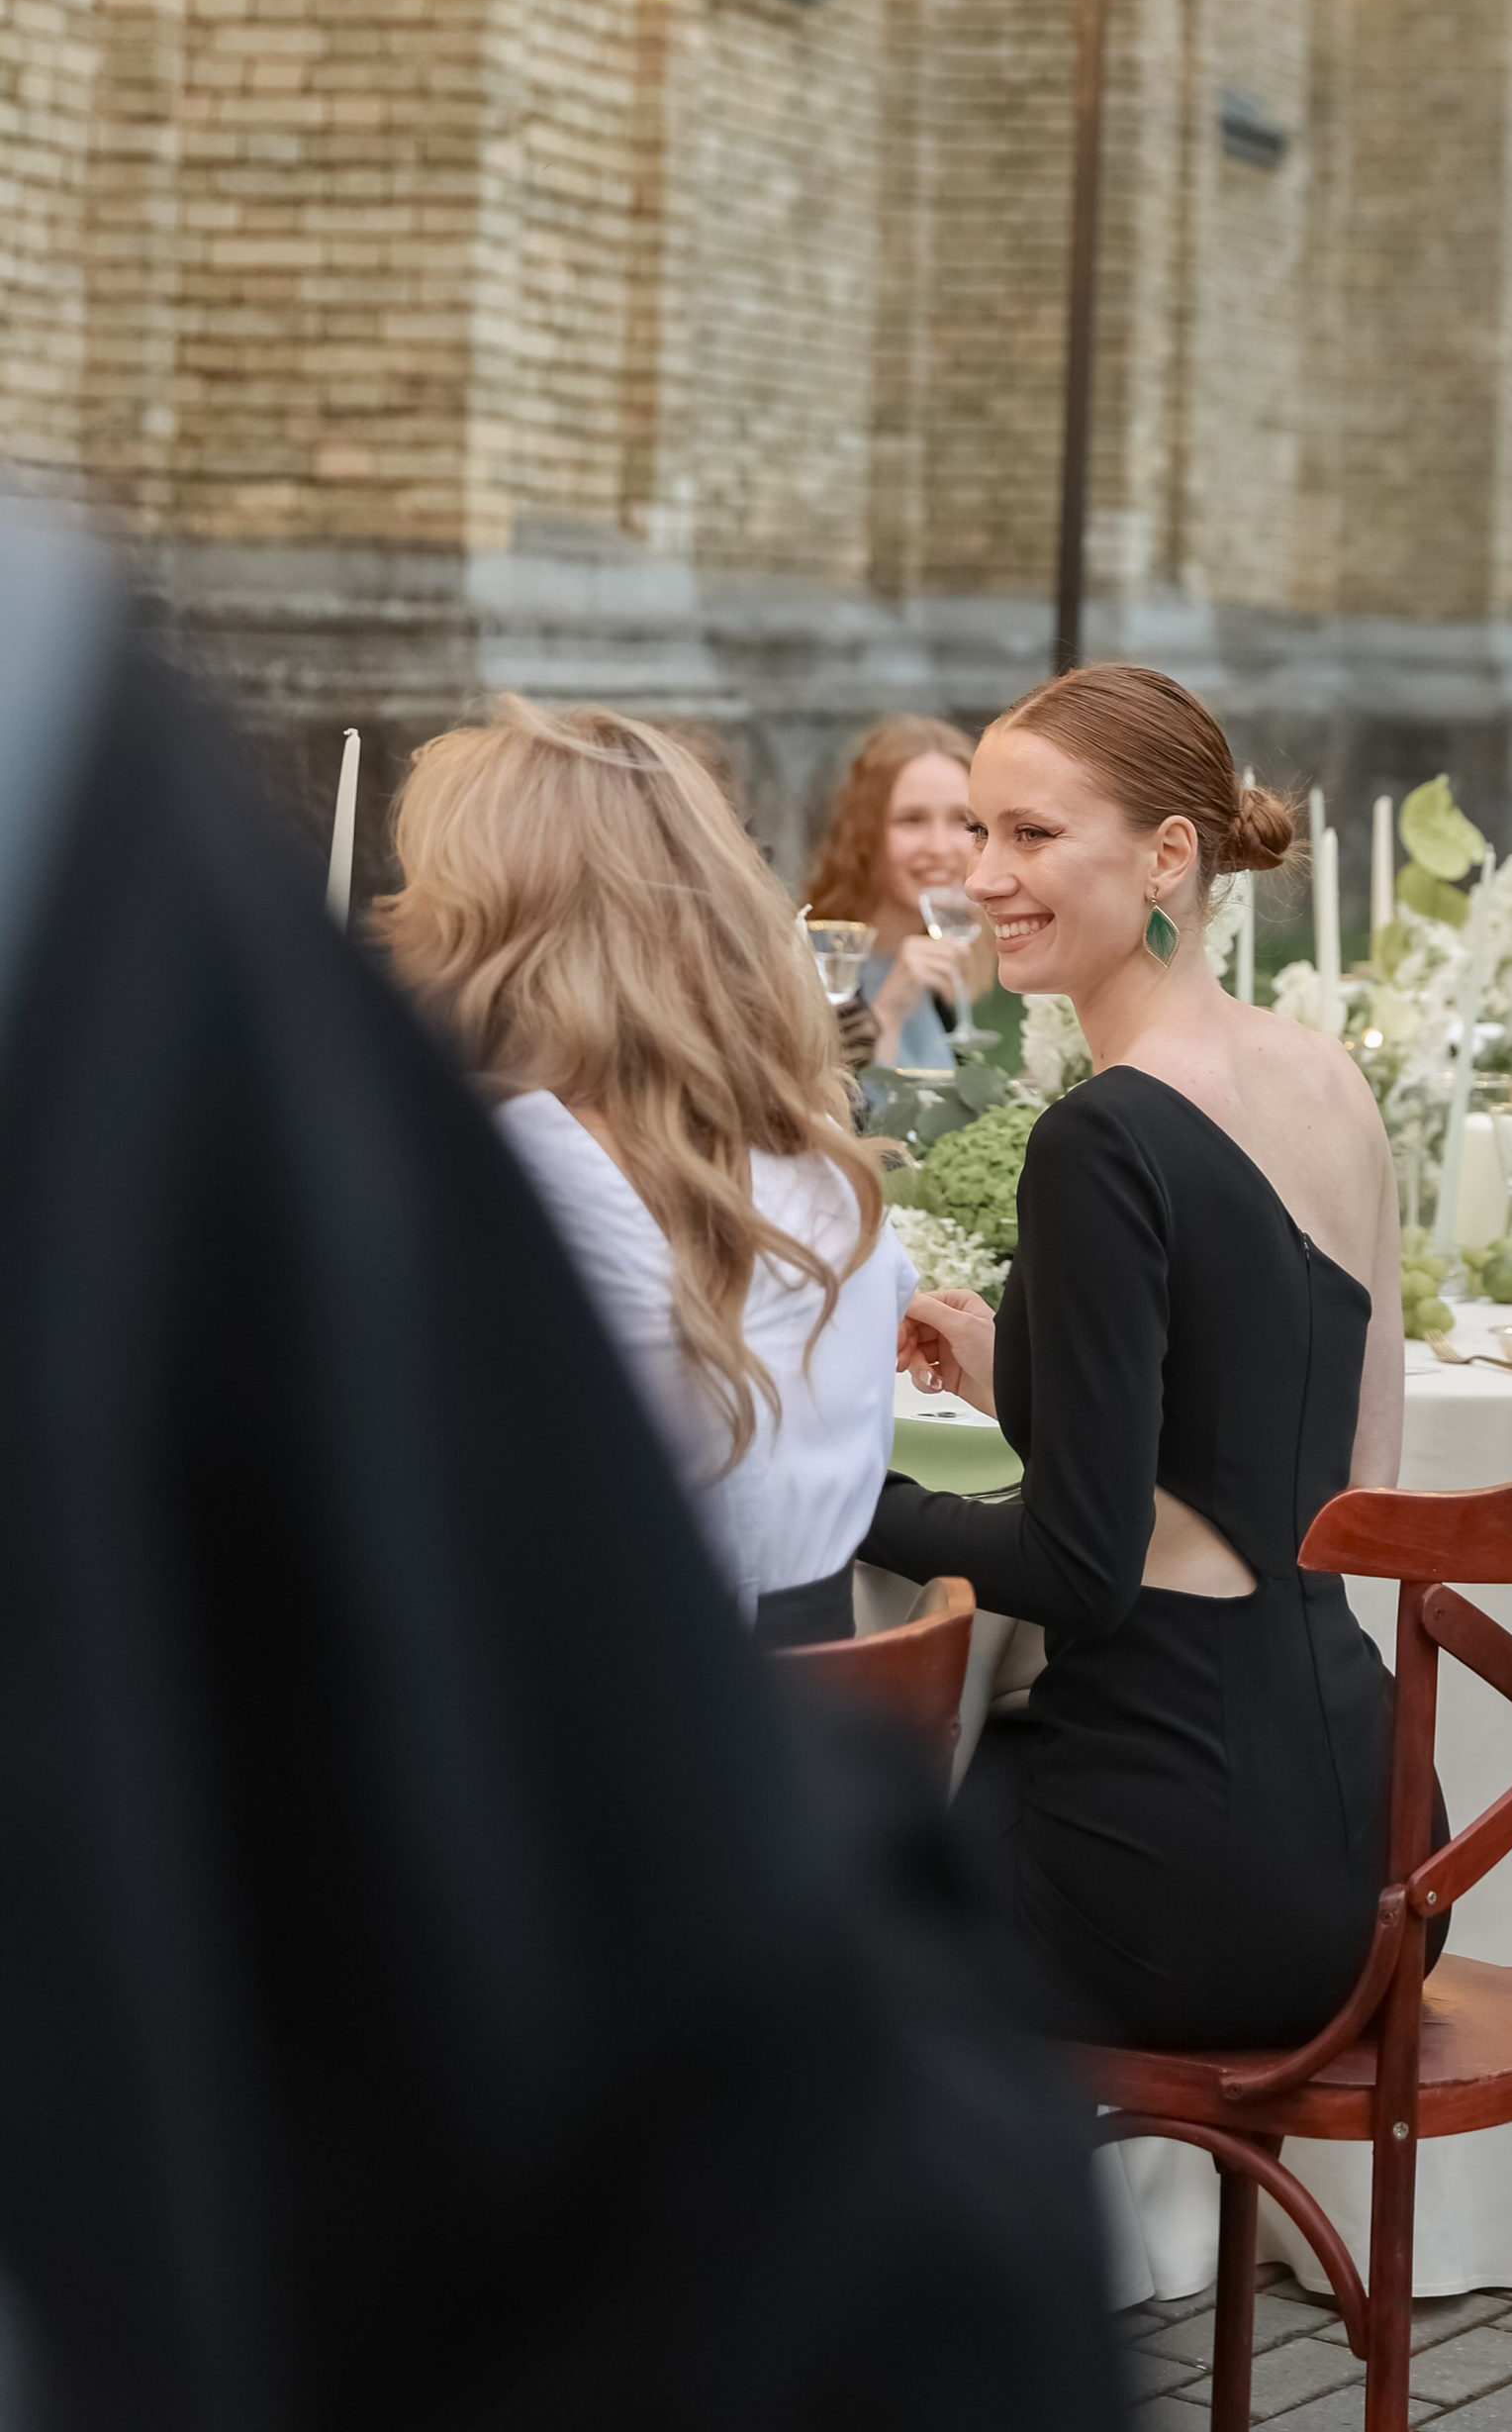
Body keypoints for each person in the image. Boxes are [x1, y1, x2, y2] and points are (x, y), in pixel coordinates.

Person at [0, 512, 1119, 2431]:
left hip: (545, 1880)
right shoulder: (819, 1178)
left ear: (498, 912)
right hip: (808, 1772)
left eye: (427, 889)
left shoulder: (511, 1185)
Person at [859, 662, 1408, 2052]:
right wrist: (1020, 1376)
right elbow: (1342, 1483)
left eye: (1032, 836)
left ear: (1170, 855)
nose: (984, 877)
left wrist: (838, 1487)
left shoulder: (1103, 1135)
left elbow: (1080, 1572)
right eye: (979, 832)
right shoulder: (1325, 1076)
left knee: (802, 1921)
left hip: (1170, 1863)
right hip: (1371, 1841)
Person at [379, 697, 913, 1642]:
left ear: (488, 919)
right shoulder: (816, 1147)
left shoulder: (525, 1168)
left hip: (618, 1726)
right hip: (829, 1709)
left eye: (423, 887)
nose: (400, 915)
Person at [804, 712, 987, 1067]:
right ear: (863, 836)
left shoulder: (955, 966)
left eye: (961, 822)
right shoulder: (815, 969)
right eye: (911, 820)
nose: (940, 848)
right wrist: (889, 1008)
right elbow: (844, 1113)